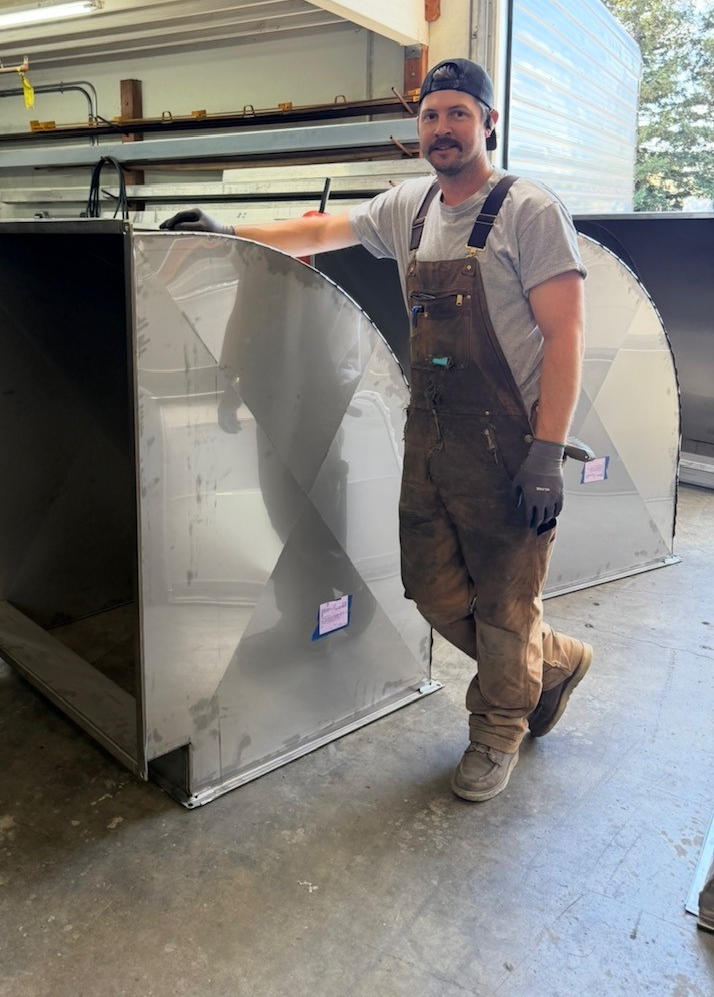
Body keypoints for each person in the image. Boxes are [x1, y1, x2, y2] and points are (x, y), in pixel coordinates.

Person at [159, 57, 594, 802]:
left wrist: (547, 452)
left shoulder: (529, 209)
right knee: (429, 588)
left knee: (505, 601)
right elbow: (322, 228)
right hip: (430, 436)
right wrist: (229, 232)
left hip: (510, 444)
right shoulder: (410, 208)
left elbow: (567, 333)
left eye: (459, 113)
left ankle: (498, 727)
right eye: (431, 116)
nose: (442, 129)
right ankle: (549, 663)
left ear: (489, 123)